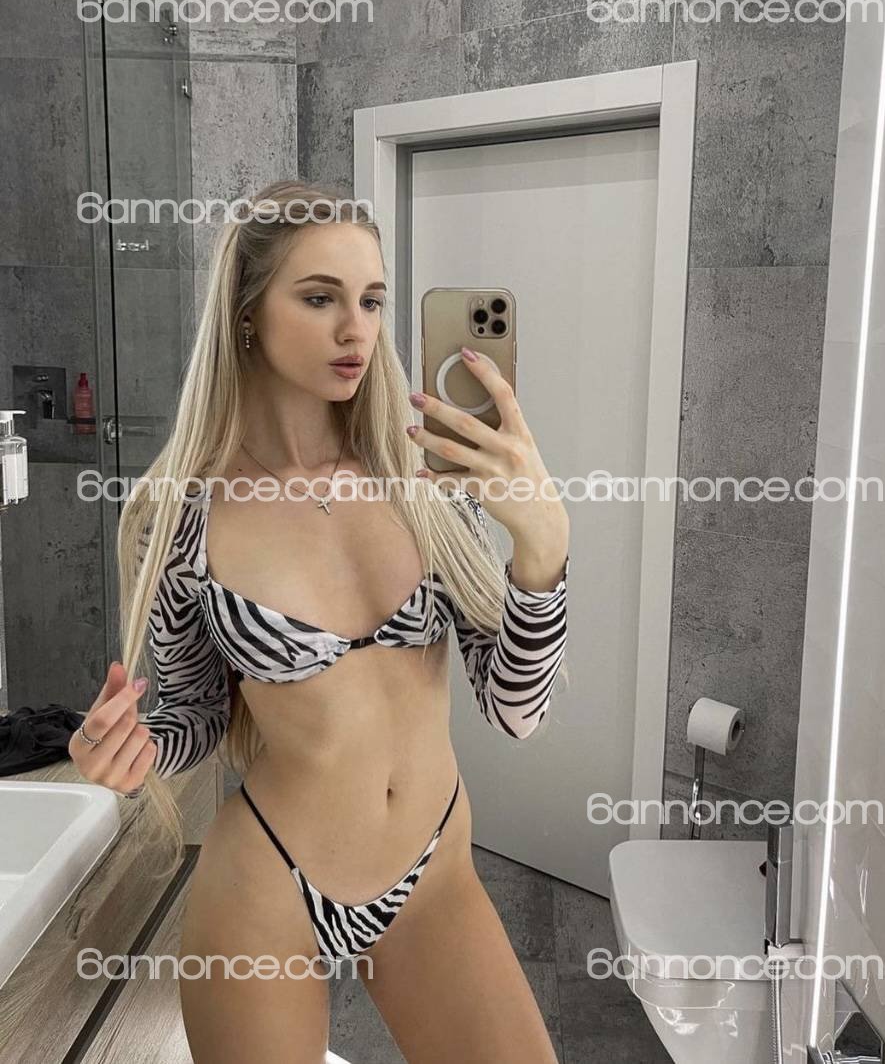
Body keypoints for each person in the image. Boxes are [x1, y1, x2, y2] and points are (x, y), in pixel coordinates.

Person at [69, 181, 570, 1063]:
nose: (356, 330)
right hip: (268, 887)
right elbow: (197, 715)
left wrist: (543, 550)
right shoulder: (180, 516)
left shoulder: (425, 482)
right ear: (247, 316)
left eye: (372, 300)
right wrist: (137, 750)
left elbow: (518, 711)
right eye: (319, 298)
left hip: (434, 873)